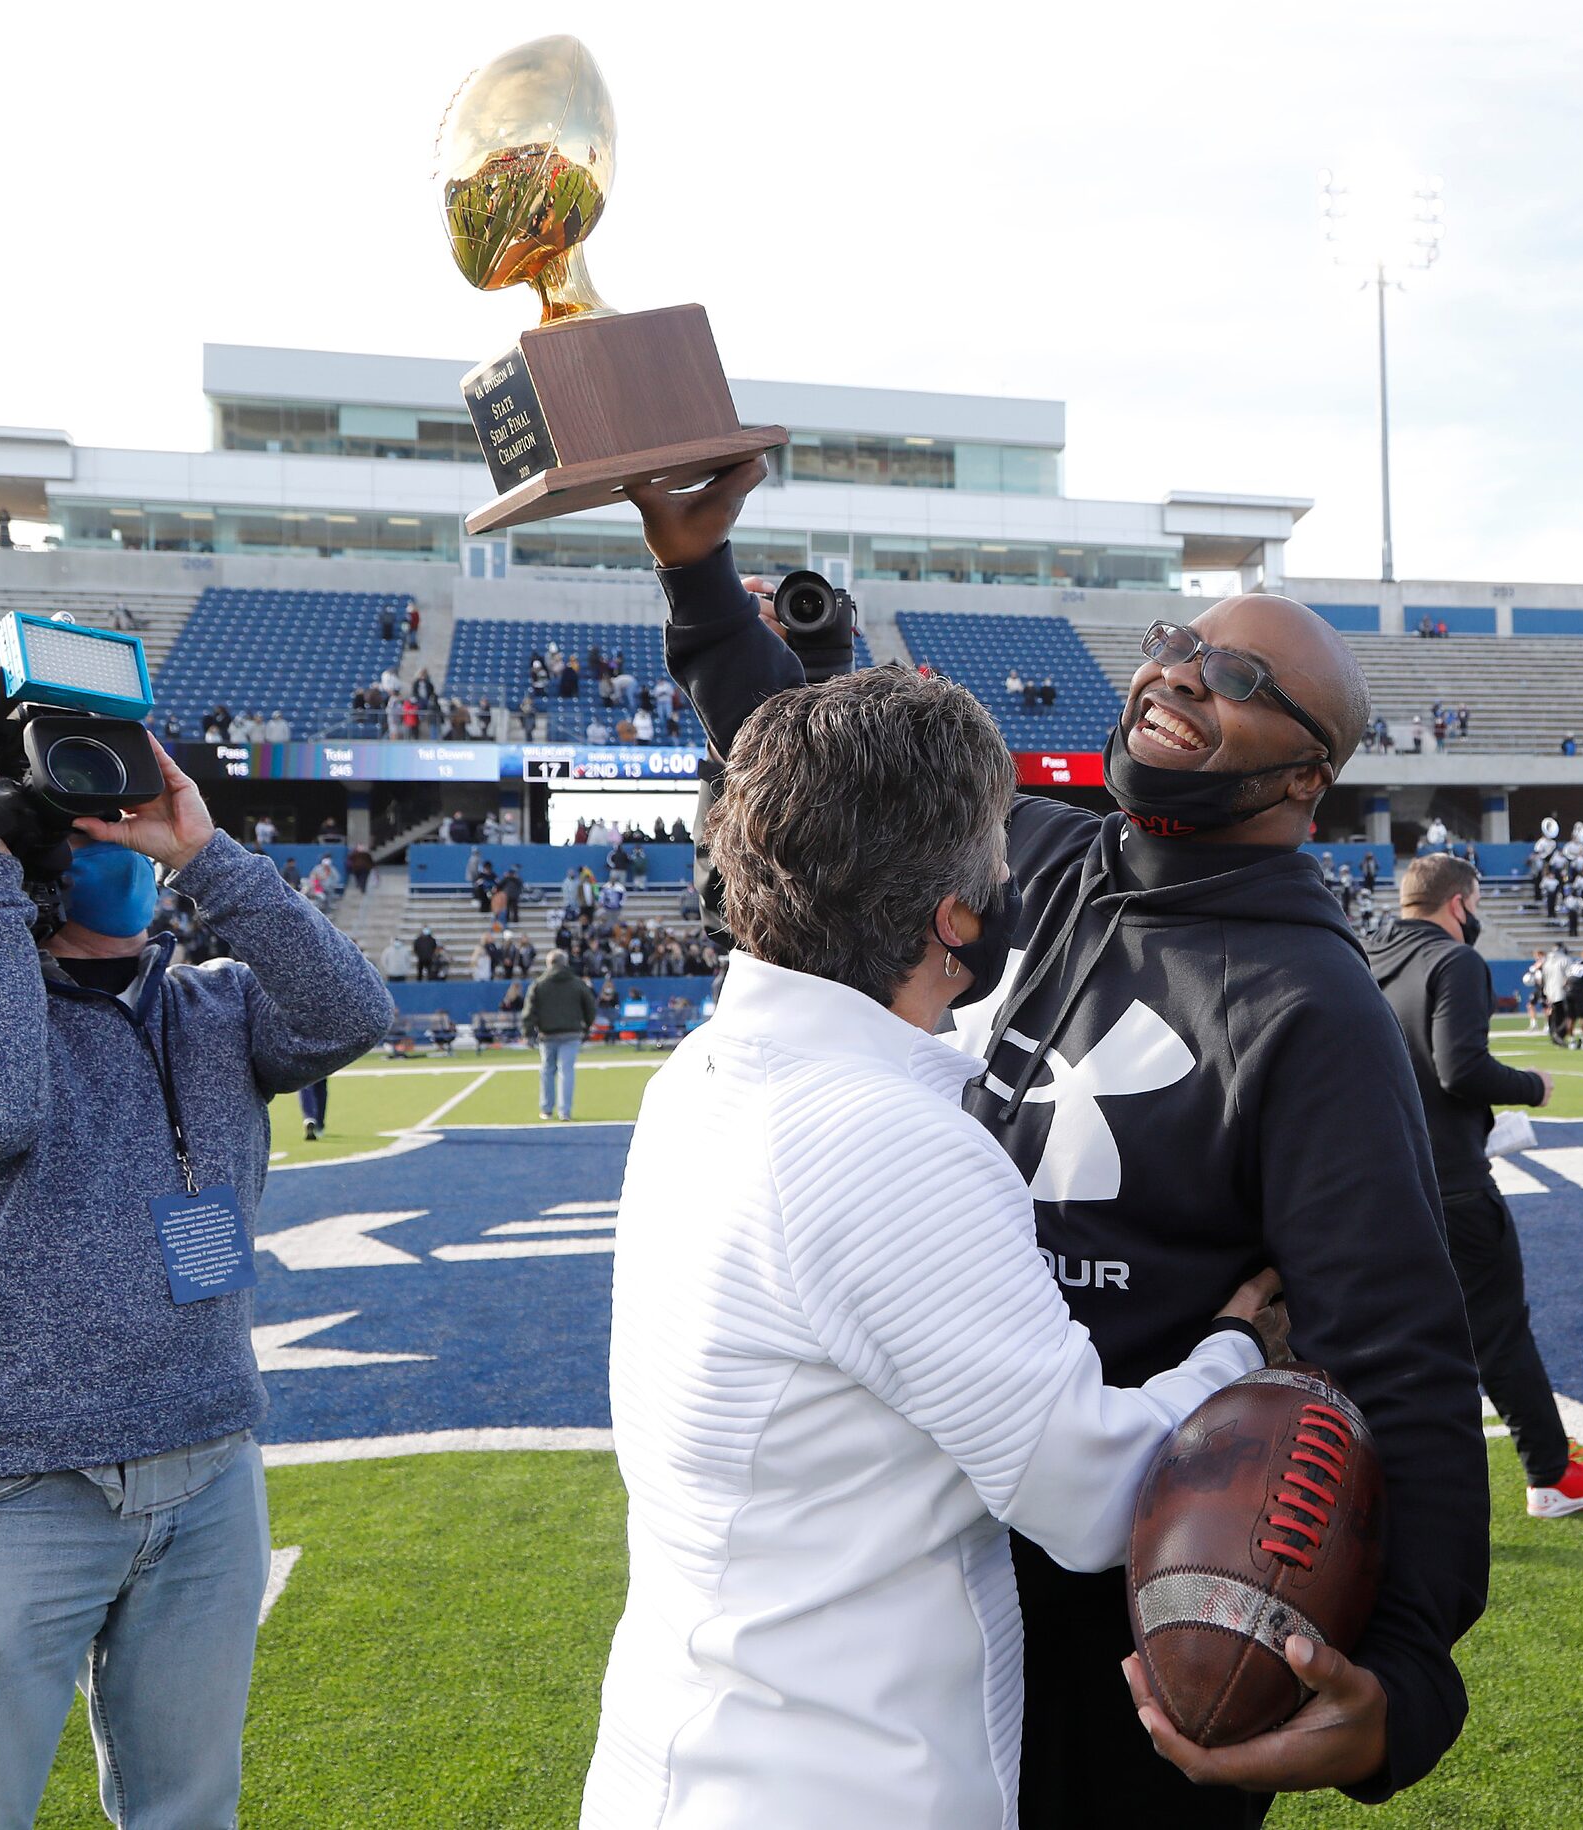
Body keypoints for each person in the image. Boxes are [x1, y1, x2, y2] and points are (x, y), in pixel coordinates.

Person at [632, 459, 1486, 1822]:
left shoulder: (1313, 1005)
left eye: (1242, 679)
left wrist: (1406, 1686)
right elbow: (823, 790)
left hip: (1137, 1623)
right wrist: (698, 577)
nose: (1183, 674)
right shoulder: (1058, 858)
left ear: (1308, 780)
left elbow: (1402, 1353)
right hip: (936, 1576)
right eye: (1178, 644)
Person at [584, 666, 1278, 1827]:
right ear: (955, 918)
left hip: (701, 1735)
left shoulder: (701, 1074)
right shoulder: (882, 1139)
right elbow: (1094, 1496)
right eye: (991, 868)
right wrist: (1233, 1353)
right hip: (836, 1777)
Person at [0, 737, 390, 1827]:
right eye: (93, 824)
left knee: (188, 1812)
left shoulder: (214, 1002)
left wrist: (208, 855)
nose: (124, 846)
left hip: (203, 1470)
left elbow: (353, 1016)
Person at [1371, 857, 1583, 1517]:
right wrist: (1531, 1086)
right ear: (1459, 903)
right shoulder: (1453, 963)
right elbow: (1461, 1069)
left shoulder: (1366, 958)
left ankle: (1368, 1483)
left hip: (1386, 1186)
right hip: (1453, 1187)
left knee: (1397, 1342)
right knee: (1500, 1333)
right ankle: (1551, 1474)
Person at [522, 948, 598, 1120]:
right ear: (565, 963)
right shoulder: (577, 983)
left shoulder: (539, 984)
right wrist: (586, 1026)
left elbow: (529, 1011)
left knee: (547, 1071)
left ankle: (546, 1109)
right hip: (571, 1033)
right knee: (567, 1071)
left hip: (547, 1033)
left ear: (549, 964)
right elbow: (590, 1007)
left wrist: (528, 1033)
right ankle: (565, 1111)